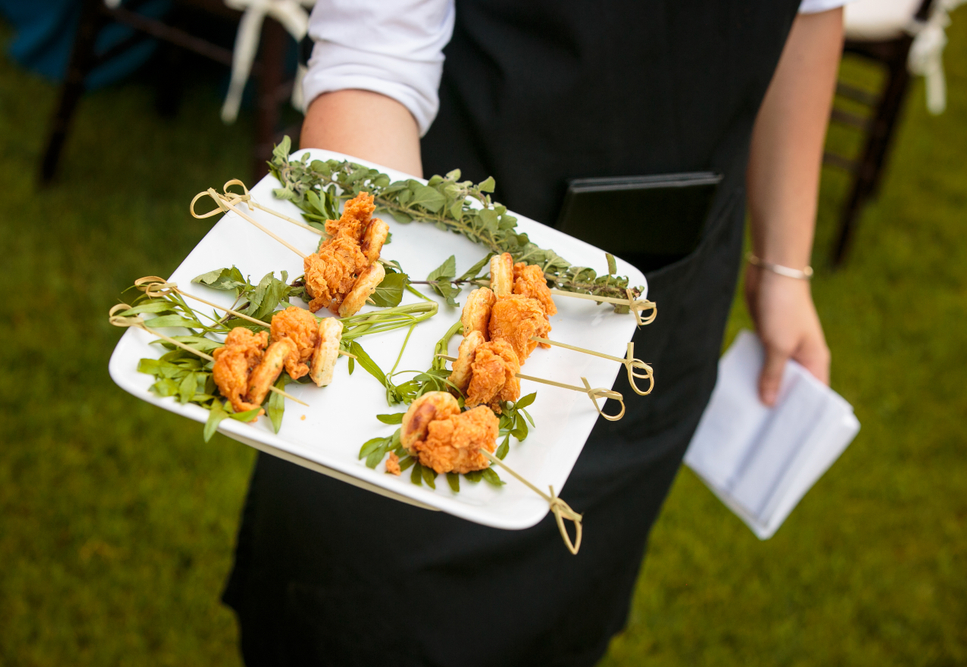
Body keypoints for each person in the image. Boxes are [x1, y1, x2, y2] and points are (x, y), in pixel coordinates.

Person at [222, 1, 842, 665]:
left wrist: (784, 269)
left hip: (670, 292)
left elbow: (814, 12)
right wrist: (377, 301)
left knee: (560, 617)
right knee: (363, 613)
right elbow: (375, 57)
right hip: (441, 263)